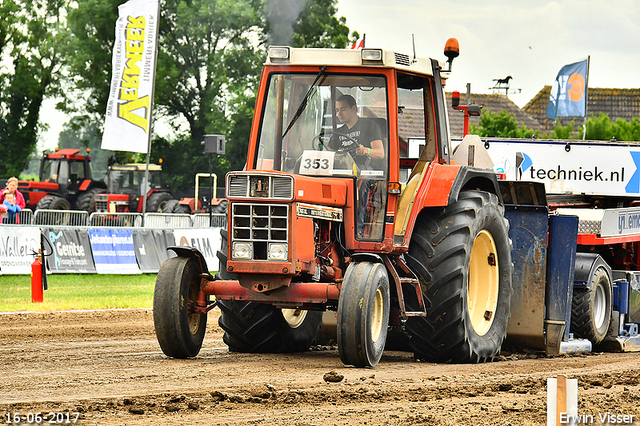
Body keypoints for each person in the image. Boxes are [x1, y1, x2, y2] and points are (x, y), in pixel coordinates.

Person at [328, 94, 386, 239]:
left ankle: (357, 230)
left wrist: (366, 151)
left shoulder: (369, 126)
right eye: (337, 110)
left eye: (343, 109)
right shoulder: (338, 133)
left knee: (360, 180)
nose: (339, 114)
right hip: (342, 171)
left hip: (365, 169)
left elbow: (380, 153)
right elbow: (326, 153)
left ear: (354, 109)